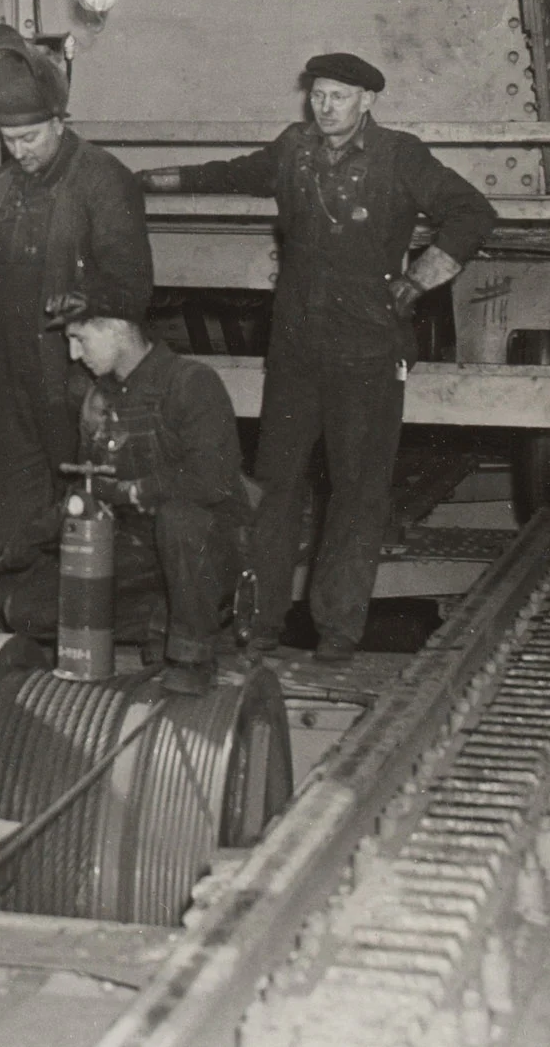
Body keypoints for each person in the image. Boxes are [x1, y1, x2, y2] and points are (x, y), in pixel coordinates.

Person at [141, 52, 497, 663]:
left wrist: (417, 281)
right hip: (298, 349)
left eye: (338, 96)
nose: (324, 107)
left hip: (368, 348)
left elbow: (472, 213)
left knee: (358, 490)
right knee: (275, 486)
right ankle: (261, 623)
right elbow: (229, 174)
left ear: (367, 102)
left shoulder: (399, 156)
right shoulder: (293, 151)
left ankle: (338, 630)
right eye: (318, 95)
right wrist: (148, 179)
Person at [0, 25, 152, 637]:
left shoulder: (103, 181)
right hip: (16, 382)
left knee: (87, 516)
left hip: (78, 386)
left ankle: (89, 630)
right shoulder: (5, 188)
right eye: (7, 138)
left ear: (60, 122)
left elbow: (131, 288)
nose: (18, 150)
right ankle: (25, 623)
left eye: (29, 138)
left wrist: (75, 305)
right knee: (11, 512)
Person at [52, 286, 255, 697]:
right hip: (143, 552)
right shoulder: (97, 399)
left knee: (180, 518)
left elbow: (211, 481)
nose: (74, 355)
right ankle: (162, 620)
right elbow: (89, 488)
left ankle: (192, 652)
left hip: (208, 549)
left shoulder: (191, 383)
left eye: (80, 339)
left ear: (117, 329)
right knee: (28, 607)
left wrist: (131, 492)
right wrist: (43, 529)